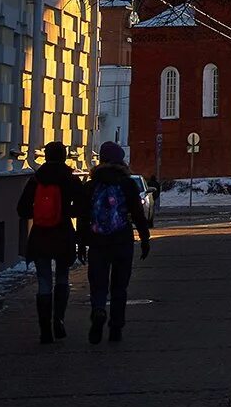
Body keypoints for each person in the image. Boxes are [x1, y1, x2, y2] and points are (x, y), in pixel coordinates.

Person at [81, 141, 153, 345]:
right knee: (120, 287)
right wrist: (145, 238)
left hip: (97, 243)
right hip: (122, 241)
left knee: (98, 284)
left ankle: (98, 310)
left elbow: (83, 216)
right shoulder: (128, 184)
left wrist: (81, 243)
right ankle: (116, 328)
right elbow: (138, 214)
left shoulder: (91, 185)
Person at [17, 141, 84, 344]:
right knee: (62, 277)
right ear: (64, 156)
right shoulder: (70, 179)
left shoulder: (36, 179)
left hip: (40, 236)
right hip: (63, 234)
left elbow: (22, 209)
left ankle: (44, 328)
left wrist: (39, 213)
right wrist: (65, 213)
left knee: (44, 281)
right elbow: (81, 208)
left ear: (45, 156)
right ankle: (59, 320)